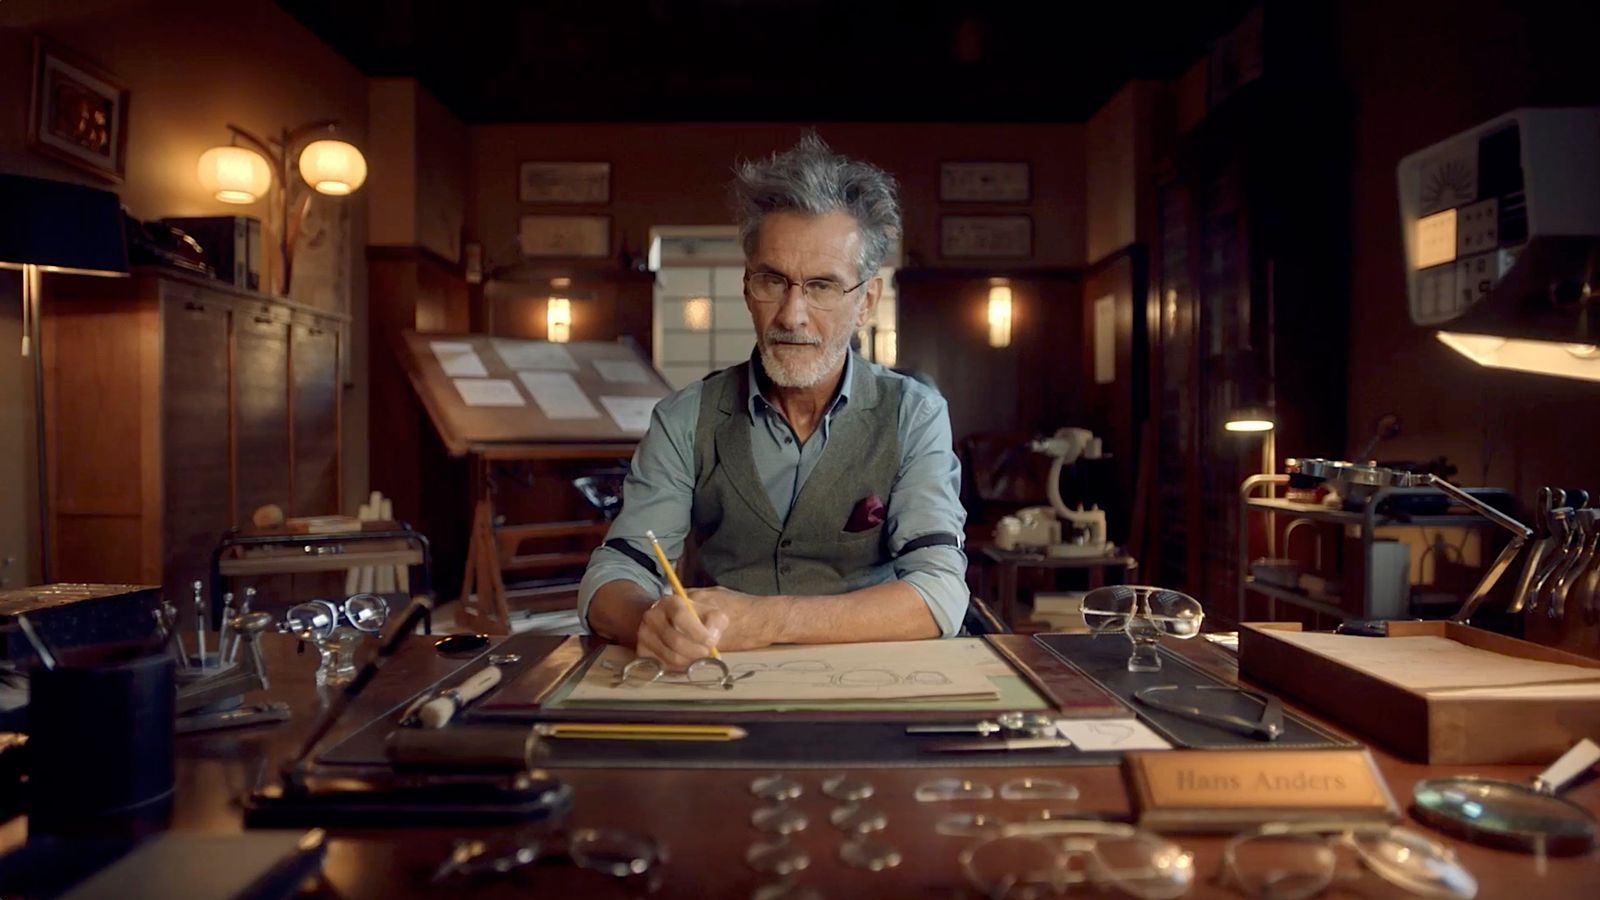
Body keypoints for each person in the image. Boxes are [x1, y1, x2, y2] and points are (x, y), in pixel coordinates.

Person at [579, 133, 967, 670]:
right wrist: (650, 619)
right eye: (772, 281)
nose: (791, 315)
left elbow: (940, 593)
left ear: (867, 302)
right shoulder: (684, 417)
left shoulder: (915, 414)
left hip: (867, 676)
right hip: (717, 675)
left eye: (822, 286)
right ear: (747, 287)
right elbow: (613, 574)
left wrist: (770, 621)